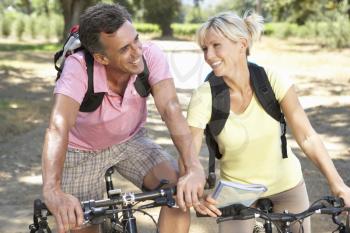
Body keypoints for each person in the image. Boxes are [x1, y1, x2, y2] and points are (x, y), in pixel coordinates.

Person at [41, 3, 206, 233]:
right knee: (80, 218)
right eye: (124, 48)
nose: (137, 52)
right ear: (101, 57)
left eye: (136, 40)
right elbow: (58, 127)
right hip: (81, 152)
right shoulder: (77, 68)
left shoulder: (150, 55)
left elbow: (170, 108)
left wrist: (192, 167)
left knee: (179, 194)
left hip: (131, 141)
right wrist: (52, 190)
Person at [186, 11, 350, 233]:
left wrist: (337, 183)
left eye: (216, 46)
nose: (209, 55)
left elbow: (307, 136)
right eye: (205, 48)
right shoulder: (204, 96)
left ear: (241, 44)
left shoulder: (272, 80)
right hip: (236, 194)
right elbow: (188, 153)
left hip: (286, 185)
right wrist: (192, 186)